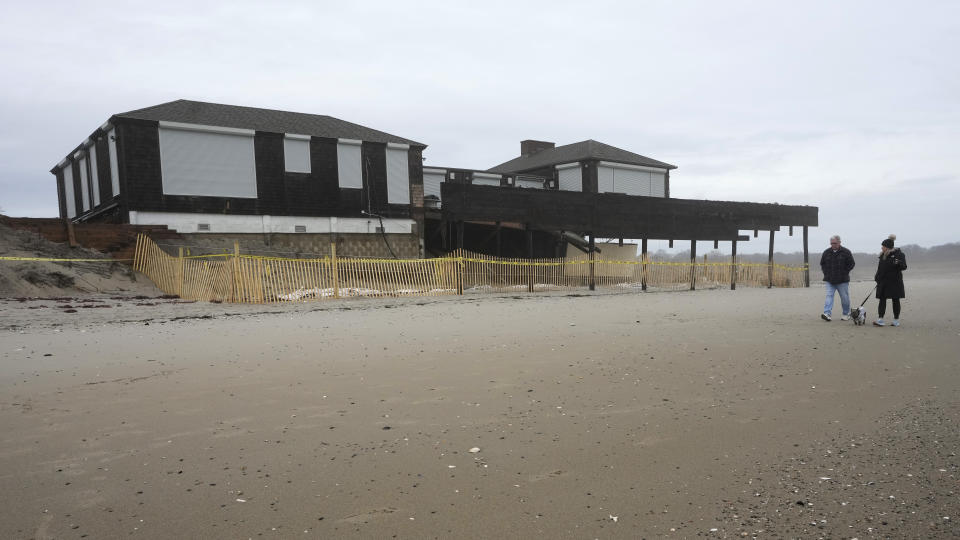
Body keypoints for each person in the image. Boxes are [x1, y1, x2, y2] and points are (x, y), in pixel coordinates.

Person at [819, 234, 855, 321]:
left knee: (844, 298)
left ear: (839, 242)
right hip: (829, 280)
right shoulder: (826, 252)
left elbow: (851, 264)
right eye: (831, 243)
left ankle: (845, 314)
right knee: (829, 296)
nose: (833, 245)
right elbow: (822, 263)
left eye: (834, 243)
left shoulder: (846, 252)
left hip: (842, 280)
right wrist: (826, 273)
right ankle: (827, 313)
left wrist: (844, 272)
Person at [873, 234, 907, 326]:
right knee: (882, 300)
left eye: (883, 246)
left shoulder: (899, 254)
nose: (881, 248)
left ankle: (896, 320)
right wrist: (877, 277)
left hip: (895, 282)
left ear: (887, 247)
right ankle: (880, 319)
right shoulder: (882, 256)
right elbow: (880, 268)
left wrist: (898, 263)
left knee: (895, 300)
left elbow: (904, 267)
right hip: (883, 282)